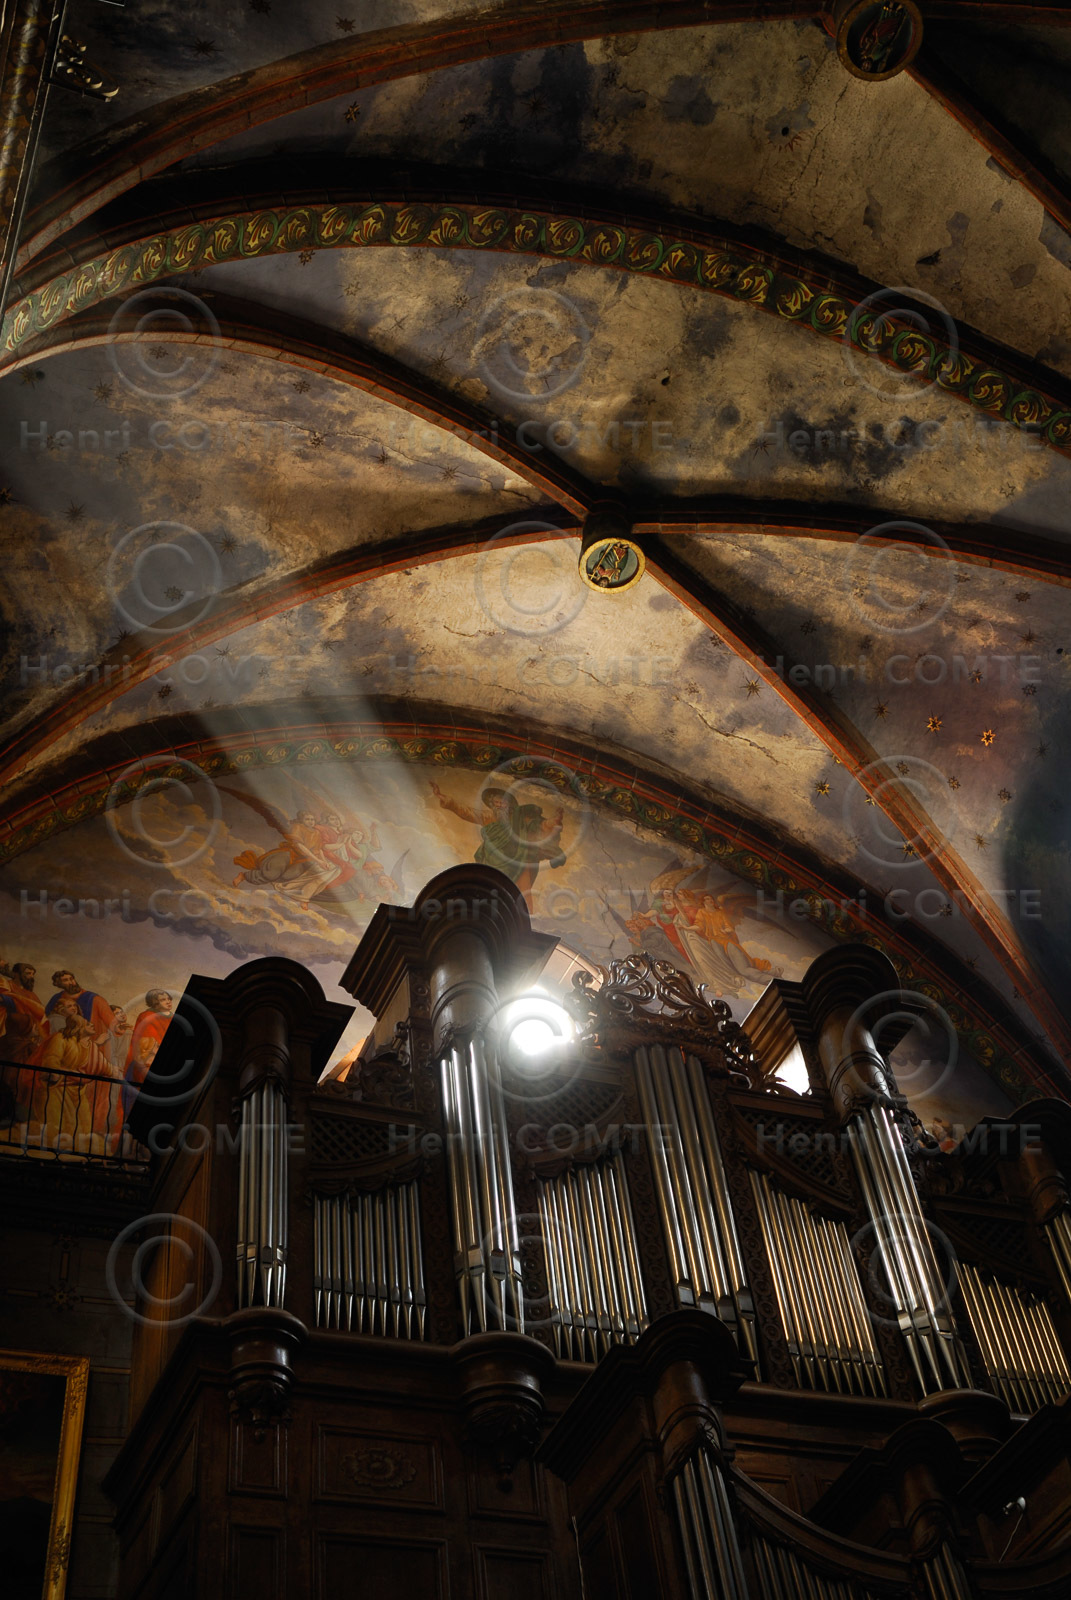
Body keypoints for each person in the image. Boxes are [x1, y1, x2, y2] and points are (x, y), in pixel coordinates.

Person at [430, 781, 565, 909]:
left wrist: (552, 822)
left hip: (518, 859)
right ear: (492, 804)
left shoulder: (520, 818)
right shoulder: (490, 817)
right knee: (485, 887)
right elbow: (467, 812)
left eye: (503, 802)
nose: (499, 805)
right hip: (493, 860)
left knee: (521, 892)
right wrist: (447, 800)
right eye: (496, 802)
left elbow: (537, 827)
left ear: (509, 804)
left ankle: (523, 916)